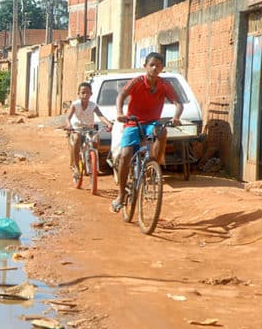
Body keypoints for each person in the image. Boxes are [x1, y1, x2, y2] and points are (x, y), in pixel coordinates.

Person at [110, 52, 182, 213]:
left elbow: (178, 103)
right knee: (125, 155)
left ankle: (154, 164)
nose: (155, 68)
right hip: (133, 122)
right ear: (146, 66)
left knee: (161, 131)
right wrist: (120, 112)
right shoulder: (137, 82)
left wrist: (177, 116)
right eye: (152, 64)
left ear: (162, 68)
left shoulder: (164, 85)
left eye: (158, 65)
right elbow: (121, 95)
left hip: (151, 123)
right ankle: (121, 194)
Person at [64, 82, 112, 181]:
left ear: (91, 94)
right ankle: (77, 167)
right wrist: (69, 125)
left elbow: (100, 116)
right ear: (78, 93)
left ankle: (92, 162)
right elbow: (68, 117)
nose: (85, 95)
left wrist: (108, 123)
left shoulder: (93, 105)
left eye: (87, 93)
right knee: (77, 139)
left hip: (89, 128)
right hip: (77, 128)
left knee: (95, 140)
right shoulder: (75, 104)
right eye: (83, 93)